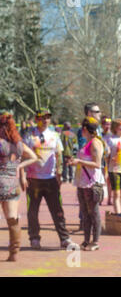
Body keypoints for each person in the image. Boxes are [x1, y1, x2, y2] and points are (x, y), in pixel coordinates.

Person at [23, 108, 74, 249]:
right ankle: (34, 238)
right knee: (32, 210)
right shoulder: (29, 135)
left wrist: (60, 173)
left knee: (57, 209)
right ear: (36, 119)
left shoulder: (55, 135)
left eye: (47, 117)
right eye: (42, 117)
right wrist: (23, 175)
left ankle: (64, 238)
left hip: (51, 179)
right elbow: (24, 156)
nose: (45, 120)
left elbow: (58, 155)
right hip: (33, 179)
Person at [0, 112, 38, 261]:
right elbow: (34, 157)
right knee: (12, 218)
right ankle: (14, 252)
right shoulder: (19, 144)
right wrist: (19, 166)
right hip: (12, 183)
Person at [69, 117, 105, 251]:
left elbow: (97, 164)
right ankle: (86, 240)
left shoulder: (95, 143)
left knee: (93, 212)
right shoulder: (87, 142)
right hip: (82, 182)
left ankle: (95, 241)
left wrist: (79, 161)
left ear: (85, 129)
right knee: (85, 213)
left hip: (91, 183)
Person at [105, 119, 121, 214]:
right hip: (114, 169)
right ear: (116, 128)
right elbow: (106, 155)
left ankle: (119, 212)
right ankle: (118, 214)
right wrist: (109, 158)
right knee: (116, 193)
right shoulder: (111, 139)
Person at [101, 116, 112, 205]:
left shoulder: (112, 135)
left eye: (109, 124)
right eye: (105, 124)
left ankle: (109, 199)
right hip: (101, 160)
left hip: (111, 160)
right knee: (101, 179)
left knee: (109, 180)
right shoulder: (99, 135)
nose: (107, 126)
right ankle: (100, 198)